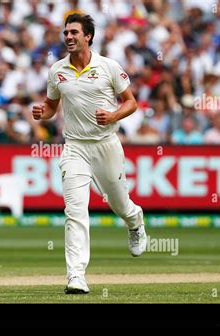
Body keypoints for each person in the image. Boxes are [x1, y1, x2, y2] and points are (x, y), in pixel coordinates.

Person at [32, 14, 147, 295]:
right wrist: (41, 113)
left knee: (119, 204)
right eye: (65, 33)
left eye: (74, 32)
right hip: (74, 148)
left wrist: (112, 115)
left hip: (106, 144)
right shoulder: (57, 71)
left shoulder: (108, 66)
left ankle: (135, 222)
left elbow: (131, 102)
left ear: (88, 36)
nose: (68, 37)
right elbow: (51, 106)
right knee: (75, 211)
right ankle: (76, 276)